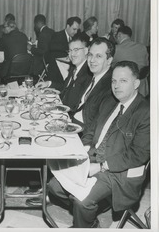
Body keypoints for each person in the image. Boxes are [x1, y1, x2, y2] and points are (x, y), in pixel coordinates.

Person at [47, 60, 150, 228]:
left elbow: (138, 154)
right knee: (54, 186)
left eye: (123, 81)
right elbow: (91, 129)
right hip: (93, 157)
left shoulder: (145, 112)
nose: (116, 86)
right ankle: (90, 217)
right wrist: (85, 148)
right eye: (114, 81)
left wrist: (102, 166)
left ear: (136, 83)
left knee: (82, 200)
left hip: (118, 171)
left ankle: (85, 223)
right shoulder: (110, 101)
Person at [71, 37, 115, 130]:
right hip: (73, 122)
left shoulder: (111, 86)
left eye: (98, 56)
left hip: (83, 133)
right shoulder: (90, 76)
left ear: (109, 60)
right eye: (90, 55)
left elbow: (98, 126)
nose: (92, 60)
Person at [46, 16, 81, 90]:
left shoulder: (75, 37)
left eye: (77, 30)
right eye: (74, 29)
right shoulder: (57, 35)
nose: (76, 32)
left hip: (69, 64)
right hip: (56, 66)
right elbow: (52, 49)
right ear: (68, 26)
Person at [60, 35, 93, 112]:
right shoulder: (74, 68)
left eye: (76, 50)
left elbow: (76, 104)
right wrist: (49, 83)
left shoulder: (88, 73)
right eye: (70, 50)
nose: (72, 54)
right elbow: (66, 86)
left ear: (85, 51)